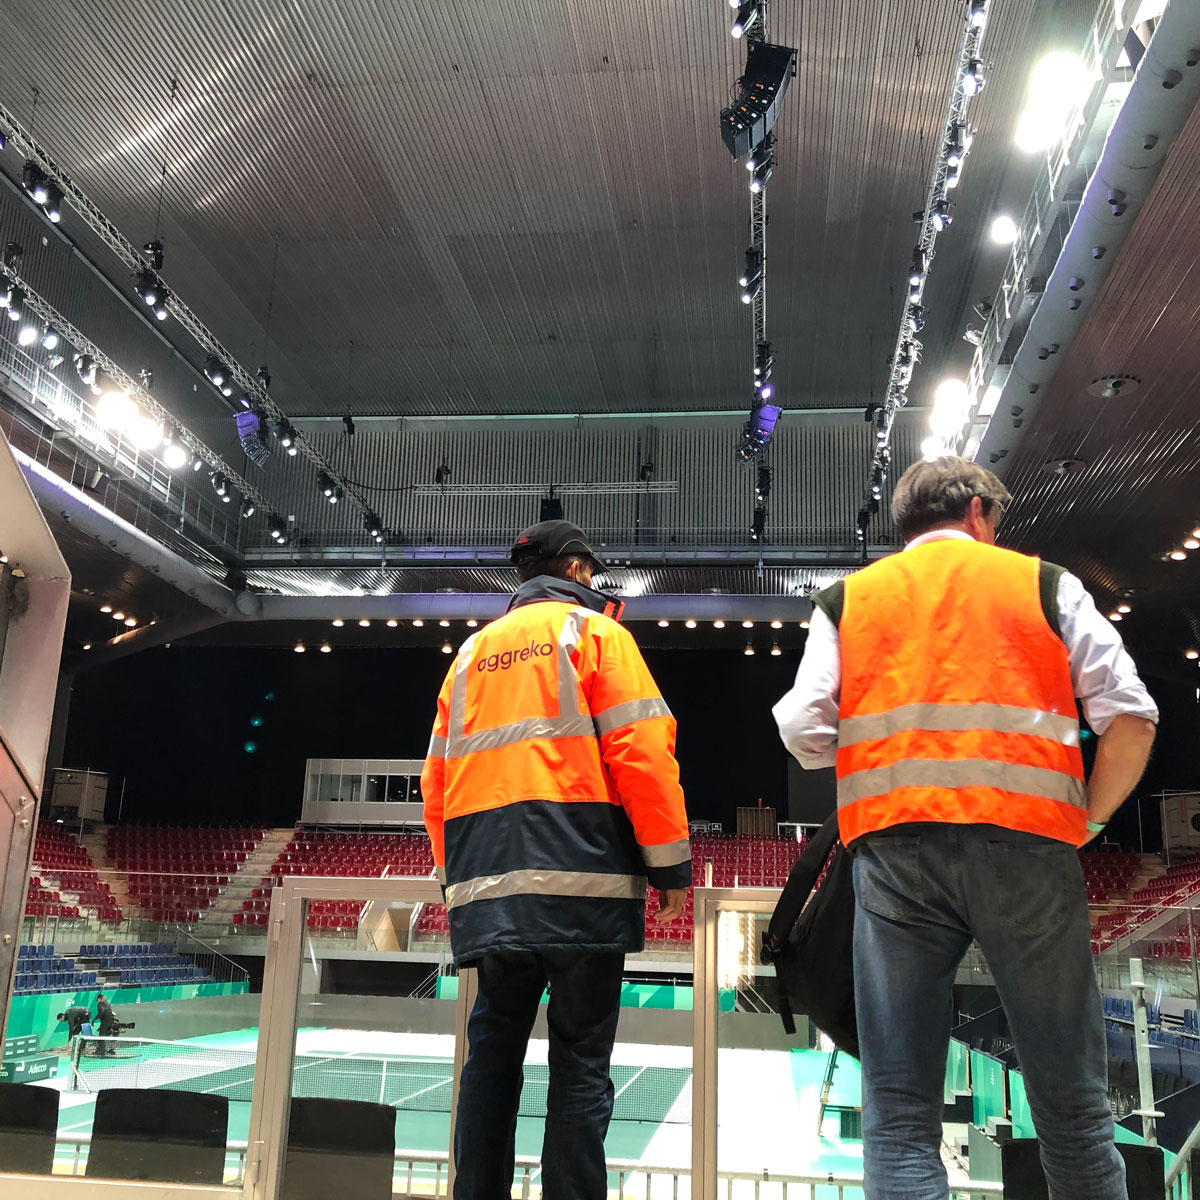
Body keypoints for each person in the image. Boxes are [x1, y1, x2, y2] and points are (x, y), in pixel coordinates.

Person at [773, 456, 1158, 1200]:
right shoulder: (1044, 584)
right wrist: (1092, 819)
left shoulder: (848, 599)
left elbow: (801, 728)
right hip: (1030, 847)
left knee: (899, 1118)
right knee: (1074, 1111)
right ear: (978, 511)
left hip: (894, 856)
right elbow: (1132, 720)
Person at [422, 518, 691, 1200]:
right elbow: (644, 756)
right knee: (579, 1066)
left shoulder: (471, 654)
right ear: (574, 571)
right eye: (591, 572)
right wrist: (669, 868)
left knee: (492, 1058)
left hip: (490, 892)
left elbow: (437, 785)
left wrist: (457, 881)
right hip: (585, 889)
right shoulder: (598, 636)